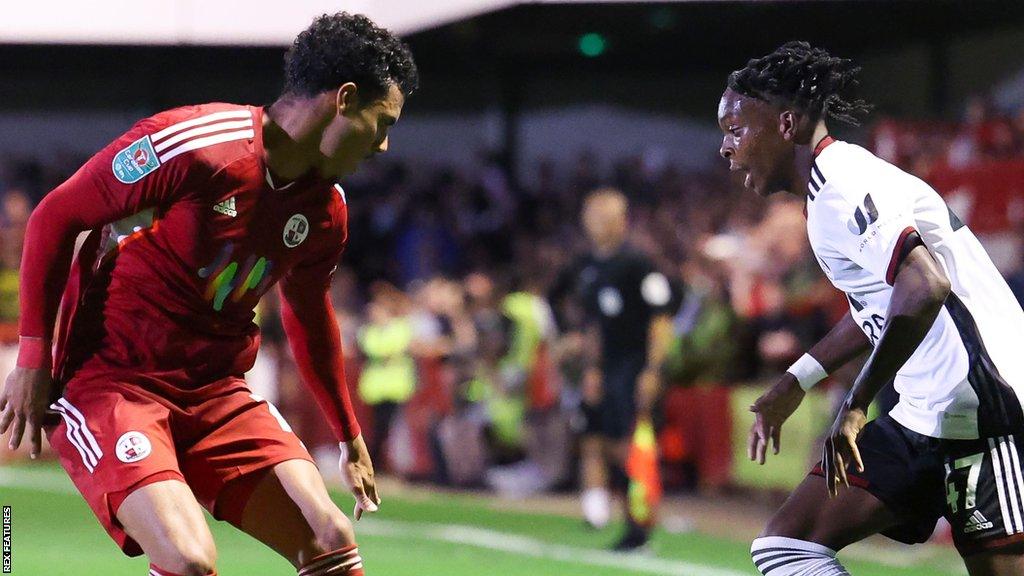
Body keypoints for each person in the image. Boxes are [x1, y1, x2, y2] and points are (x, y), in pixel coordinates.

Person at [0, 13, 417, 576]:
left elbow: (308, 312)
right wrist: (33, 356)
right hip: (116, 380)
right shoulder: (196, 146)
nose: (385, 144)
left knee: (330, 538)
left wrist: (347, 431)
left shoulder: (327, 212)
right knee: (188, 560)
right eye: (382, 121)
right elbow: (56, 215)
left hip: (216, 390)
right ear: (343, 99)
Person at [718, 41, 1024, 576]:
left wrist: (855, 405)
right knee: (786, 545)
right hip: (931, 410)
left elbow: (924, 285)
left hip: (986, 408)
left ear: (785, 124)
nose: (726, 148)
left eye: (735, 130)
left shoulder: (840, 186)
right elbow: (881, 308)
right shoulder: (829, 189)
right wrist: (797, 381)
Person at [549, 188, 679, 551]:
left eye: (604, 217)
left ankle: (639, 525)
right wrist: (590, 368)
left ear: (622, 221)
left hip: (634, 367)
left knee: (630, 445)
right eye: (591, 216)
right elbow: (593, 325)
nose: (595, 224)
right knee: (595, 438)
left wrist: (652, 370)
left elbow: (661, 320)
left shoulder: (639, 264)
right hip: (603, 370)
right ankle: (601, 512)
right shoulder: (587, 266)